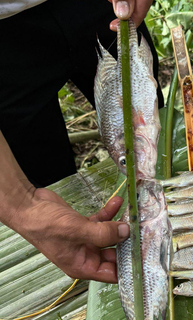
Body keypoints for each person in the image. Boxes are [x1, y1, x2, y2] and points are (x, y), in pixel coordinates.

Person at [0, 0, 163, 283]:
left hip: (101, 6)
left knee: (148, 109)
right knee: (43, 166)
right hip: (6, 40)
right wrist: (20, 204)